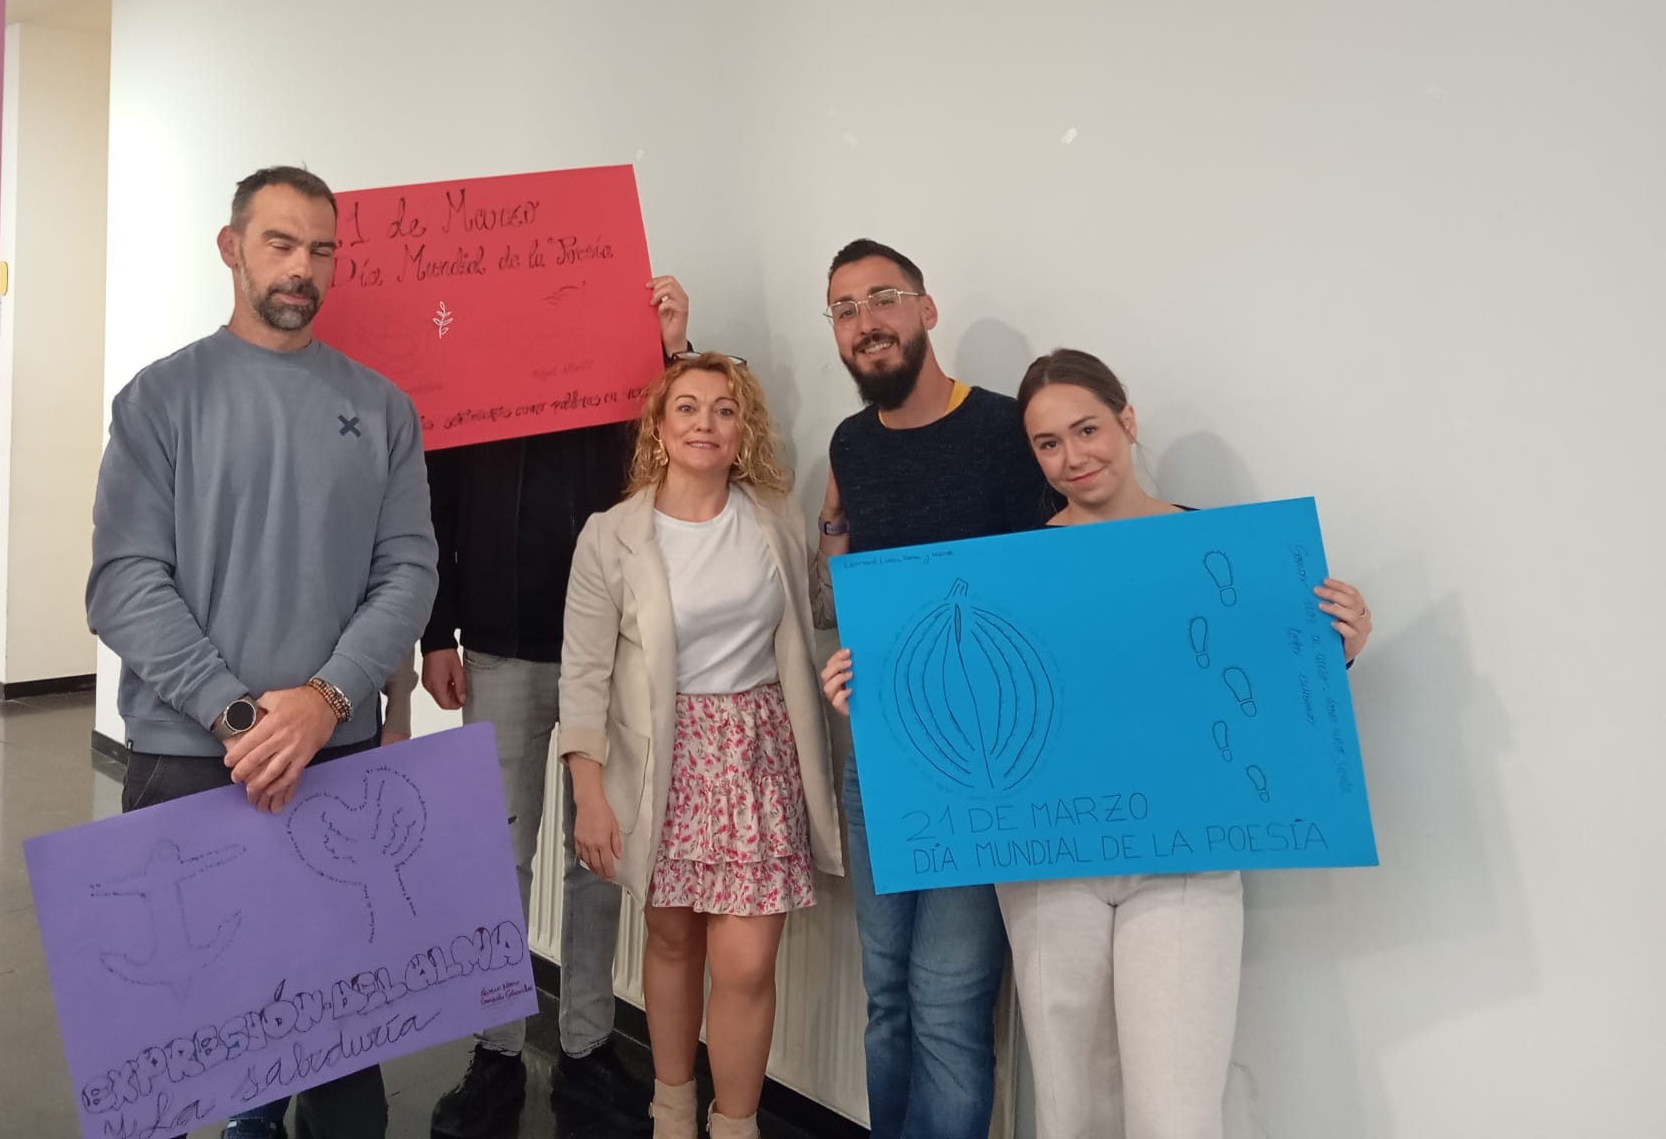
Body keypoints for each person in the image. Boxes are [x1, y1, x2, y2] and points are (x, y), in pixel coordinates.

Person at [824, 348, 1377, 1139]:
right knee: (1071, 1110)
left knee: (1176, 1115)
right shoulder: (1009, 566)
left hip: (1184, 866)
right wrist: (872, 692)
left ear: (1127, 421)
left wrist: (1335, 650)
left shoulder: (1217, 552)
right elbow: (965, 687)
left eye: (1087, 430)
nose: (1072, 457)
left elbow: (1259, 693)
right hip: (1050, 871)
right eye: (1048, 444)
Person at [87, 164, 437, 1139]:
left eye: (321, 250)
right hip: (191, 757)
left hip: (337, 759)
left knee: (339, 1051)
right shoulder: (160, 400)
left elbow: (408, 571)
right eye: (280, 243)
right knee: (192, 1045)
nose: (301, 268)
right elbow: (124, 581)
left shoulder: (382, 408)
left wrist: (325, 701)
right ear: (231, 247)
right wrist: (242, 717)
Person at [422, 276, 690, 1137]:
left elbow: (676, 455)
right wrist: (436, 631)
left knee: (595, 856)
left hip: (608, 650)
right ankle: (496, 1052)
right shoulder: (471, 375)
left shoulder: (621, 368)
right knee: (495, 853)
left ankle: (587, 1045)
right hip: (498, 643)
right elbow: (436, 502)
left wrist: (668, 351)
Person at [559, 353, 844, 1139]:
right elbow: (583, 673)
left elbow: (820, 607)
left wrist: (833, 524)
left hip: (757, 753)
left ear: (742, 428)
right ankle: (674, 1112)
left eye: (724, 409)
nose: (705, 424)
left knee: (747, 963)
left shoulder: (773, 516)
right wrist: (589, 793)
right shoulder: (612, 534)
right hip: (664, 760)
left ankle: (736, 1124)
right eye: (686, 407)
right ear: (659, 426)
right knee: (673, 938)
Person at [809, 239, 1056, 1139]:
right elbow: (845, 602)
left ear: (926, 309)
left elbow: (1066, 578)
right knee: (887, 998)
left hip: (983, 768)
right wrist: (832, 527)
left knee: (948, 1003)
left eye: (883, 298)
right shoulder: (850, 443)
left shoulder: (1004, 429)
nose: (866, 322)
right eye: (844, 309)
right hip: (881, 756)